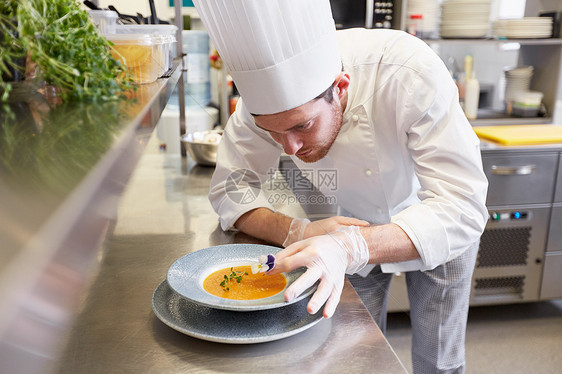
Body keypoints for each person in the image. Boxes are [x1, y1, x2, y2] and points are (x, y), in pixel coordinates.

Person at [193, 0, 488, 372]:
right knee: (352, 352)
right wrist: (296, 229)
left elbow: (462, 206)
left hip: (439, 220)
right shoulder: (258, 109)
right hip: (348, 219)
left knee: (439, 359)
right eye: (273, 132)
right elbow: (230, 189)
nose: (290, 149)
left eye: (302, 126)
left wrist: (352, 247)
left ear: (341, 88)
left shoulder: (409, 72)